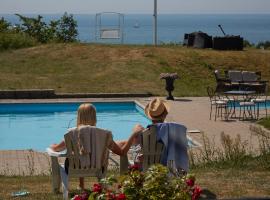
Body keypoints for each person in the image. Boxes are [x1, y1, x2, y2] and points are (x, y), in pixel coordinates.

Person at [50, 103, 143, 190]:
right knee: (84, 154)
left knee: (80, 155)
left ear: (79, 116)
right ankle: (81, 185)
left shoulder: (72, 133)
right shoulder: (104, 134)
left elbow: (57, 148)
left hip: (73, 167)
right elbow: (122, 152)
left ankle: (80, 185)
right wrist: (133, 135)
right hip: (98, 167)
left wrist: (53, 146)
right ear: (94, 117)